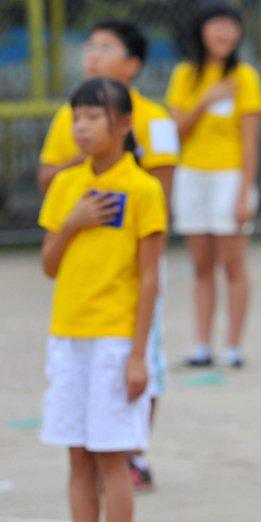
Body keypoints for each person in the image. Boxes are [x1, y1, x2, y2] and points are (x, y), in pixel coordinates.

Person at [37, 19, 177, 490]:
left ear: (133, 64)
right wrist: (87, 170)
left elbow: (163, 186)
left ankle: (133, 451)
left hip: (135, 262)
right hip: (80, 280)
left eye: (106, 47)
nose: (92, 54)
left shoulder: (156, 119)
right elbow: (49, 175)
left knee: (142, 365)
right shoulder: (69, 115)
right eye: (89, 45)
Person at [166, 2, 261, 368]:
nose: (224, 33)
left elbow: (250, 141)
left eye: (231, 26)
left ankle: (234, 346)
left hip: (230, 177)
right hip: (192, 176)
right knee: (201, 264)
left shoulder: (245, 77)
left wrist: (243, 193)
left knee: (233, 263)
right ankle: (202, 345)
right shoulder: (185, 75)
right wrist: (204, 101)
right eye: (216, 25)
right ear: (201, 30)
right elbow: (177, 131)